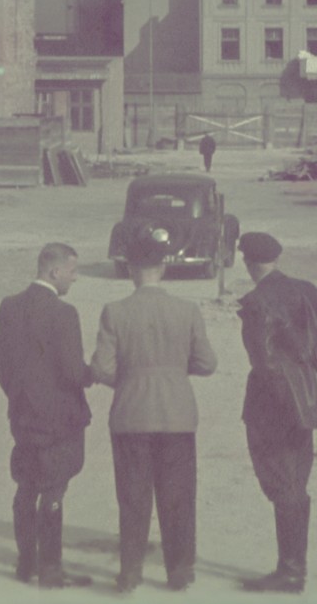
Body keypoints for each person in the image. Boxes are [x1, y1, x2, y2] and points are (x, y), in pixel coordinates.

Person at [91, 231, 217, 593]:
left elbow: (101, 367)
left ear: (131, 269)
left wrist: (131, 380)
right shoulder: (187, 310)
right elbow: (207, 363)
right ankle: (178, 571)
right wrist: (174, 371)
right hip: (177, 416)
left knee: (132, 498)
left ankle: (130, 572)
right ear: (163, 267)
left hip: (130, 416)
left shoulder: (114, 311)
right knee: (178, 498)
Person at [235, 232, 317, 594]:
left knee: (282, 486)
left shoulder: (256, 302)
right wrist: (314, 382)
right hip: (306, 408)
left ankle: (290, 571)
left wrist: (287, 398)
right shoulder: (307, 290)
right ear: (276, 259)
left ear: (248, 262)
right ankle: (295, 567)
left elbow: (264, 363)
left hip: (272, 410)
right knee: (297, 482)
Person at [0, 243, 95, 590]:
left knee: (25, 487)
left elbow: (1, 366)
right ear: (55, 272)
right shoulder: (64, 314)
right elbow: (71, 372)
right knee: (53, 491)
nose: (75, 278)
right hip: (58, 421)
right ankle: (51, 571)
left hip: (22, 417)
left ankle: (26, 563)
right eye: (72, 271)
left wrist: (20, 397)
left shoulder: (9, 307)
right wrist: (92, 374)